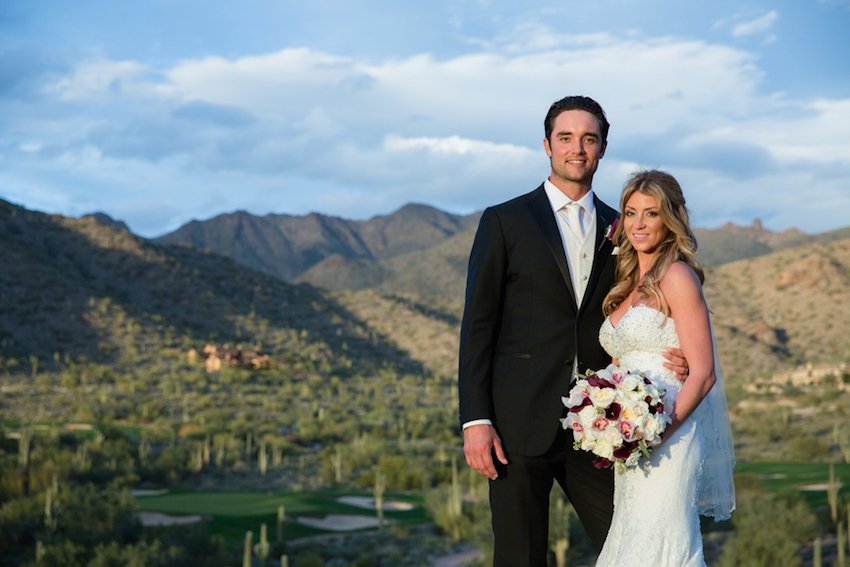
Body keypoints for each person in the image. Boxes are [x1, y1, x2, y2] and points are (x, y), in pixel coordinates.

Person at [457, 96, 688, 566]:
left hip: (603, 427)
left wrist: (673, 353)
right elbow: (478, 326)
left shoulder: (623, 228)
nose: (577, 148)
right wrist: (475, 421)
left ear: (602, 148)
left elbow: (652, 298)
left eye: (589, 138)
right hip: (517, 424)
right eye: (566, 138)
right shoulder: (505, 221)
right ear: (547, 145)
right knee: (519, 556)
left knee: (628, 546)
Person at [595, 169, 735, 566]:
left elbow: (703, 372)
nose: (639, 224)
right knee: (631, 540)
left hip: (668, 436)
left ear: (669, 219)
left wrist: (655, 434)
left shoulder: (677, 276)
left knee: (660, 543)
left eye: (651, 214)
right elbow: (619, 367)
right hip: (631, 440)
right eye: (631, 213)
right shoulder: (626, 282)